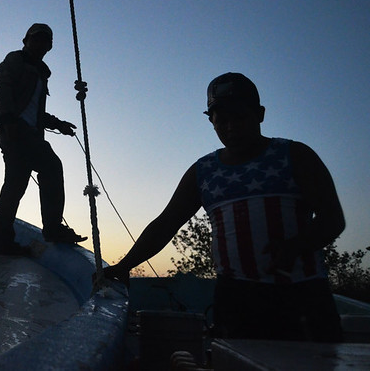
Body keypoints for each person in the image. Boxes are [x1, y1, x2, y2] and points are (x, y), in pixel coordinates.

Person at [103, 72, 345, 342]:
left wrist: (296, 246)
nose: (231, 127)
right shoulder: (203, 171)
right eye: (222, 121)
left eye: (240, 117)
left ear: (260, 114)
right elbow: (166, 223)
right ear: (211, 122)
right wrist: (124, 265)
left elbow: (333, 219)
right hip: (236, 298)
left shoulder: (296, 156)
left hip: (304, 296)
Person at [0, 23, 87, 256]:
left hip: (29, 133)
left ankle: (11, 239)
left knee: (26, 179)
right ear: (26, 40)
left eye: (45, 40)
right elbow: (2, 89)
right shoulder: (14, 60)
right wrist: (10, 121)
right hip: (14, 130)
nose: (41, 43)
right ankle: (46, 230)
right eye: (36, 39)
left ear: (50, 45)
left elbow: (34, 112)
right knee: (32, 175)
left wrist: (58, 124)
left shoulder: (41, 73)